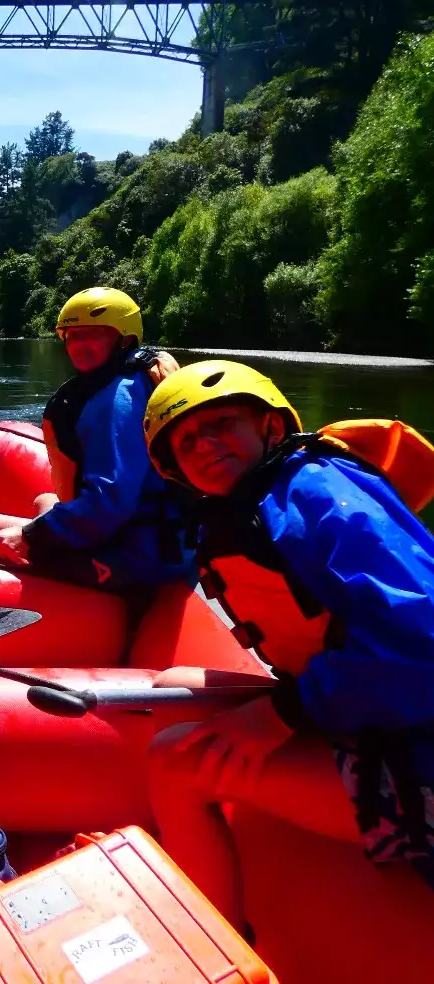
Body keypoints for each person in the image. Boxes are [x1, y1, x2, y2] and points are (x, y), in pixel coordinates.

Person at [142, 359, 434, 933]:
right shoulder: (264, 498)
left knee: (173, 761)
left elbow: (422, 640)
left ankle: (214, 954)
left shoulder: (315, 492)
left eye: (222, 423)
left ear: (271, 427)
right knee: (171, 687)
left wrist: (285, 712)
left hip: (419, 755)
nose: (205, 445)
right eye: (187, 441)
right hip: (382, 713)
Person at [0, 287, 193, 600]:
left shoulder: (116, 401)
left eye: (92, 335)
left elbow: (109, 504)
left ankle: (19, 621)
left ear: (124, 338)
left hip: (137, 560)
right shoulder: (140, 379)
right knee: (45, 500)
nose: (78, 345)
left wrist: (29, 535)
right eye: (72, 336)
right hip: (162, 541)